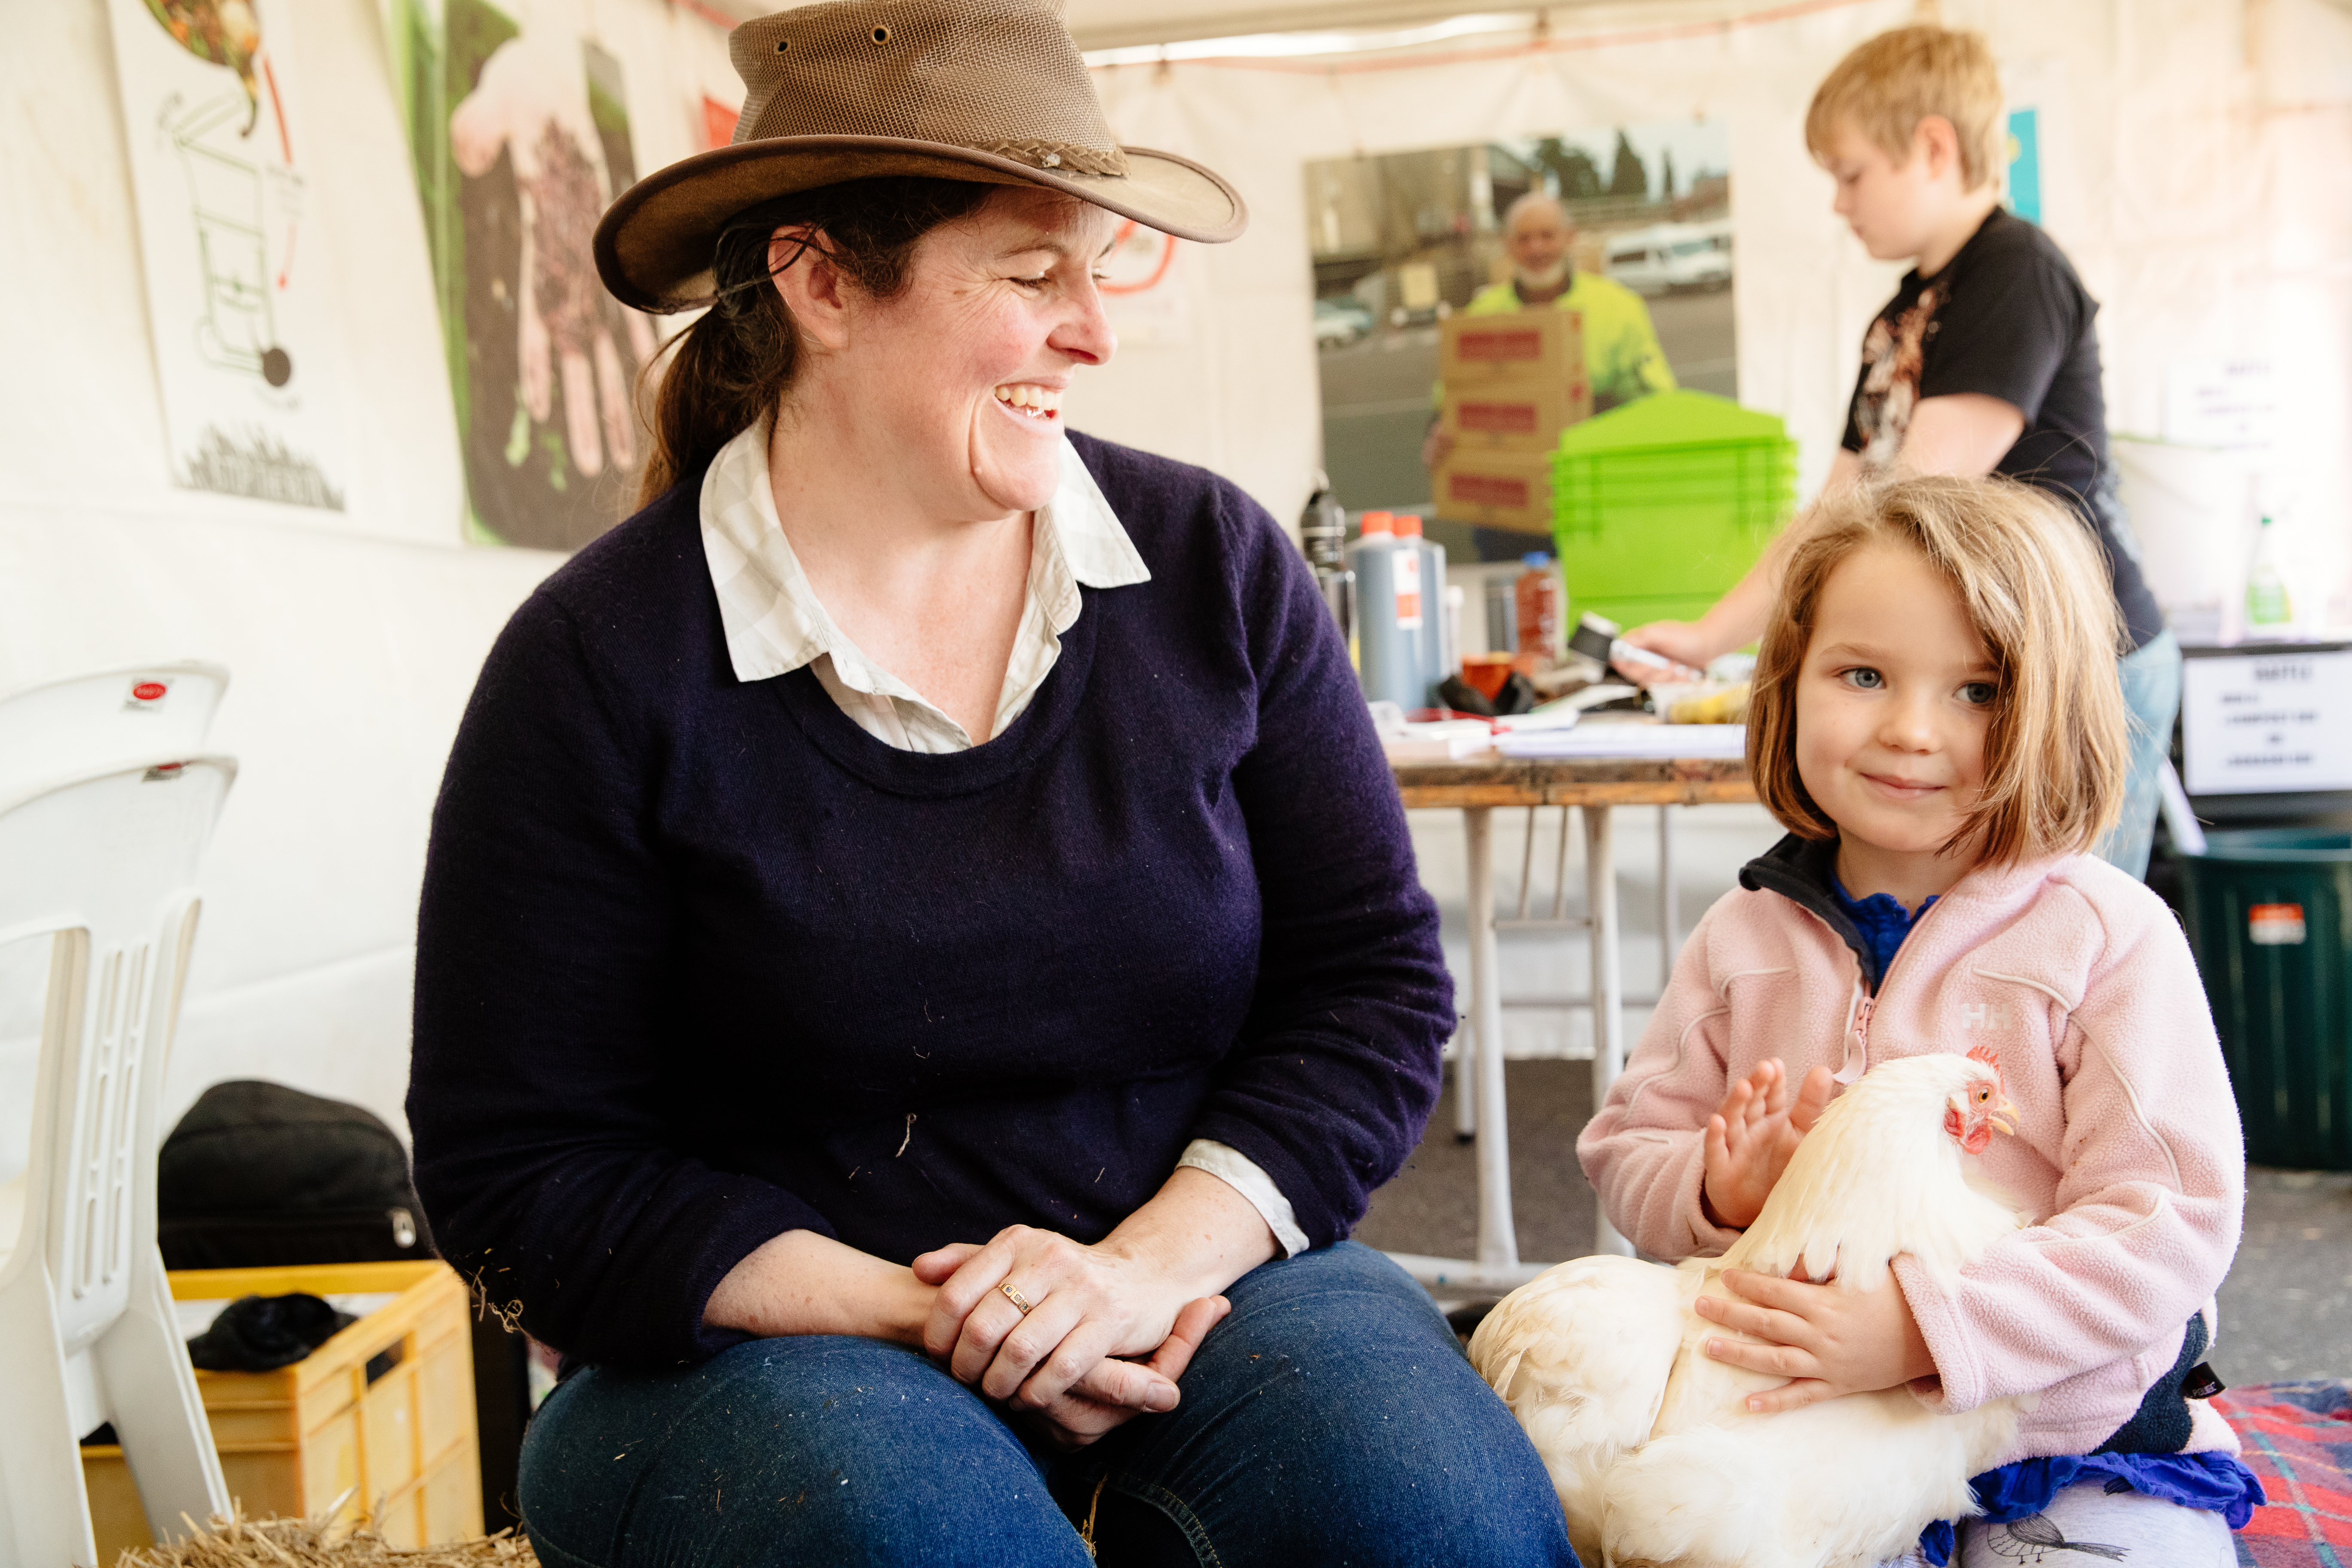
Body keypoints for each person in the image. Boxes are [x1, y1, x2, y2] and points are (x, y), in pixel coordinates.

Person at [404, 3, 1577, 1565]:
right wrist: (940, 1309)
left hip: (1205, 1283)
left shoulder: (1215, 569)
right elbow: (520, 1167)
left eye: (1097, 270)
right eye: (1035, 274)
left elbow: (1367, 991)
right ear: (822, 279)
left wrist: (1142, 1267)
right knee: (911, 1534)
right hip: (774, 1356)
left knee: (1434, 1515)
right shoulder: (598, 661)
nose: (1093, 330)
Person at [1580, 475, 2258, 1565]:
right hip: (1807, 1433)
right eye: (1861, 675)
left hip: (2062, 1434)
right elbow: (1624, 1150)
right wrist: (1718, 1189)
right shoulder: (1739, 935)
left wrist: (1921, 1328)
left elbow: (2166, 1217)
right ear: (1788, 679)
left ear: (2054, 706)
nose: (1906, 730)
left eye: (1977, 692)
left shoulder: (2105, 935)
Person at [1623, 27, 2179, 881]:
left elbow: (1920, 484)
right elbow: (1840, 508)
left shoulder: (2016, 270)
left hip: (2082, 660)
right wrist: (1709, 638)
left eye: (1850, 175)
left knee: (2057, 927)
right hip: (1978, 665)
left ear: (1931, 146)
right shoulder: (1900, 318)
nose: (1840, 205)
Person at [1420, 191, 1675, 475]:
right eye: (1524, 238)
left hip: (1595, 475)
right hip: (1510, 483)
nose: (1536, 249)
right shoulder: (1481, 314)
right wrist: (1438, 433)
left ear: (1570, 237)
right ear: (1508, 245)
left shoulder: (1619, 307)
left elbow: (1655, 398)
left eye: (1547, 236)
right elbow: (1452, 397)